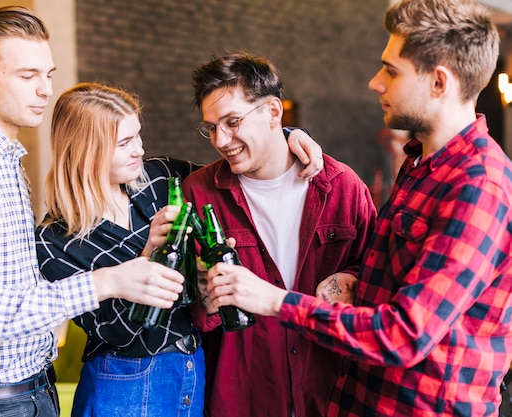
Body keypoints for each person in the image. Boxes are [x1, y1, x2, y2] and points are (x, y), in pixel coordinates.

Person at [204, 1, 512, 416]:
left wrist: (275, 300)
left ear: (439, 82)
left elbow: (404, 334)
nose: (374, 83)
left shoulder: (479, 186)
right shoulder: (422, 165)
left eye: (391, 70)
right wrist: (353, 281)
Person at [0, 7, 186, 417]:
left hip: (33, 391)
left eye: (48, 75)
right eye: (27, 76)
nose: (46, 90)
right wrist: (109, 280)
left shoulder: (7, 165)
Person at [34, 82, 324, 416]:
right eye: (125, 142)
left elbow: (238, 165)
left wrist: (288, 135)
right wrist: (148, 253)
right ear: (87, 150)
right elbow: (116, 333)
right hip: (123, 383)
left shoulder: (159, 179)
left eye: (138, 136)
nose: (139, 150)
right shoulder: (54, 239)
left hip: (192, 368)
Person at [182, 53, 377, 417]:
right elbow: (191, 310)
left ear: (274, 112)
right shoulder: (199, 193)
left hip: (331, 392)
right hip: (244, 398)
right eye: (211, 127)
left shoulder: (342, 188)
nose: (221, 140)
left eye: (233, 121)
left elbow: (377, 285)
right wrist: (202, 297)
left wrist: (352, 281)